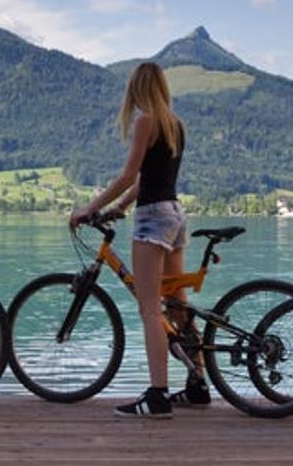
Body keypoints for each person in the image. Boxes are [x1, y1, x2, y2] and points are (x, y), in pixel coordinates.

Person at [69, 62, 202, 419]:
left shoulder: (145, 120)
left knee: (149, 310)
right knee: (178, 304)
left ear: (137, 90)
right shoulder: (176, 124)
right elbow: (150, 177)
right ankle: (198, 384)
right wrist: (119, 208)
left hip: (153, 219)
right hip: (174, 214)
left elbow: (130, 175)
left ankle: (157, 396)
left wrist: (90, 208)